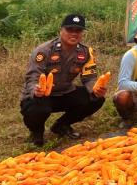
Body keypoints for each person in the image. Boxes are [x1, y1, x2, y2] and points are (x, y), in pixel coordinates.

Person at [20, 14, 105, 146]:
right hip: (42, 95)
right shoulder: (44, 51)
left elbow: (89, 78)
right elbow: (32, 78)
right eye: (69, 30)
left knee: (96, 98)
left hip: (65, 92)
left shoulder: (86, 52)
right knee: (36, 108)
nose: (74, 34)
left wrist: (95, 89)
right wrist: (35, 90)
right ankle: (36, 132)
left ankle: (61, 125)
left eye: (78, 31)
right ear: (61, 30)